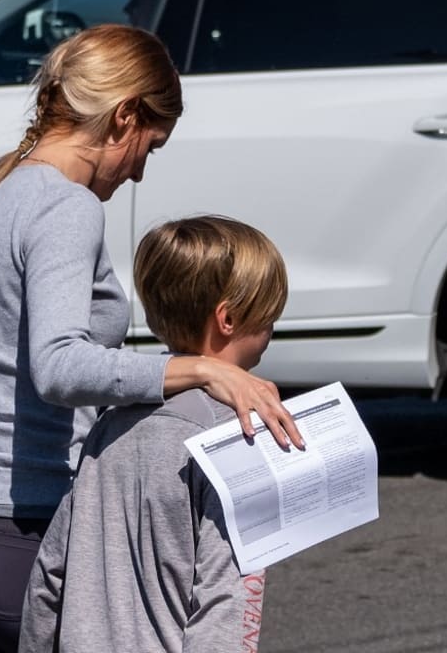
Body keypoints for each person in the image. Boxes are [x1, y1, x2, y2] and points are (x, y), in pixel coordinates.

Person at [0, 24, 303, 653]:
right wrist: (199, 370)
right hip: (21, 535)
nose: (141, 171)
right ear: (123, 117)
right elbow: (59, 367)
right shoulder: (67, 206)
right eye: (151, 144)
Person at [19, 215, 287, 652]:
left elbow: (50, 575)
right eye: (270, 311)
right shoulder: (236, 434)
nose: (274, 322)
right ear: (230, 318)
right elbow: (225, 599)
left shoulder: (110, 425)